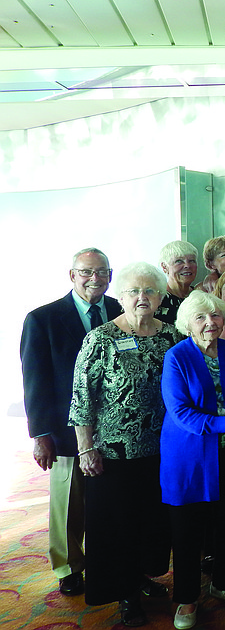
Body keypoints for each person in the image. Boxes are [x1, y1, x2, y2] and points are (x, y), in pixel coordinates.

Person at [69, 262, 183, 627]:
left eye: (149, 291)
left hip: (163, 450)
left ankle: (144, 576)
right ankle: (126, 594)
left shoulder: (173, 337)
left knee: (152, 521)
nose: (141, 298)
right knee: (118, 525)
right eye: (133, 291)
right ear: (121, 296)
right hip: (113, 453)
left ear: (161, 297)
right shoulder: (100, 339)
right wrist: (86, 447)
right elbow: (81, 398)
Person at [20, 248, 122, 597]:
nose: (95, 279)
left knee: (104, 500)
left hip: (112, 425)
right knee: (69, 501)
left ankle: (104, 560)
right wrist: (41, 434)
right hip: (64, 431)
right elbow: (35, 382)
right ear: (72, 275)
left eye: (102, 272)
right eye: (87, 272)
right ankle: (68, 567)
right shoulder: (42, 318)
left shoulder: (118, 310)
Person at [161, 290, 225, 629]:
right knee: (187, 532)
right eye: (201, 318)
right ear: (186, 323)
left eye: (215, 316)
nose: (210, 323)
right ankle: (187, 598)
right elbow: (181, 413)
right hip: (188, 459)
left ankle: (224, 583)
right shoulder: (177, 356)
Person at [155, 240, 199, 324]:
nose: (187, 265)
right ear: (164, 267)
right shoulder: (157, 299)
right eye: (179, 261)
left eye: (192, 261)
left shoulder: (201, 296)